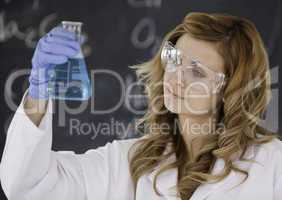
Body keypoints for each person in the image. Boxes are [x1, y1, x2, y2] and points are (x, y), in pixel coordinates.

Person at [0, 12, 282, 200]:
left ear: (233, 89)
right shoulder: (131, 161)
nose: (176, 77)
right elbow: (27, 187)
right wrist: (39, 90)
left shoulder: (272, 166)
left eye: (196, 71)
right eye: (174, 58)